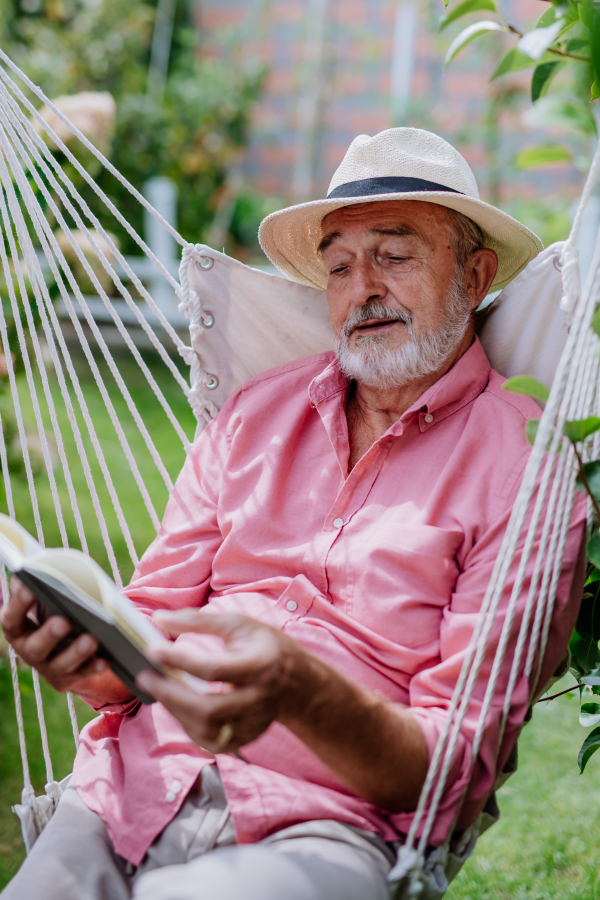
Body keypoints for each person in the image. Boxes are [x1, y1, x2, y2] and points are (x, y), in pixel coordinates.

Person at [0, 128, 586, 900]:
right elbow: (145, 629)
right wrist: (82, 657)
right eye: (339, 266)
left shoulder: (526, 472)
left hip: (331, 821)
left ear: (475, 275)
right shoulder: (253, 416)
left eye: (395, 255)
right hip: (132, 788)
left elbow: (454, 770)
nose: (362, 287)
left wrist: (299, 689)